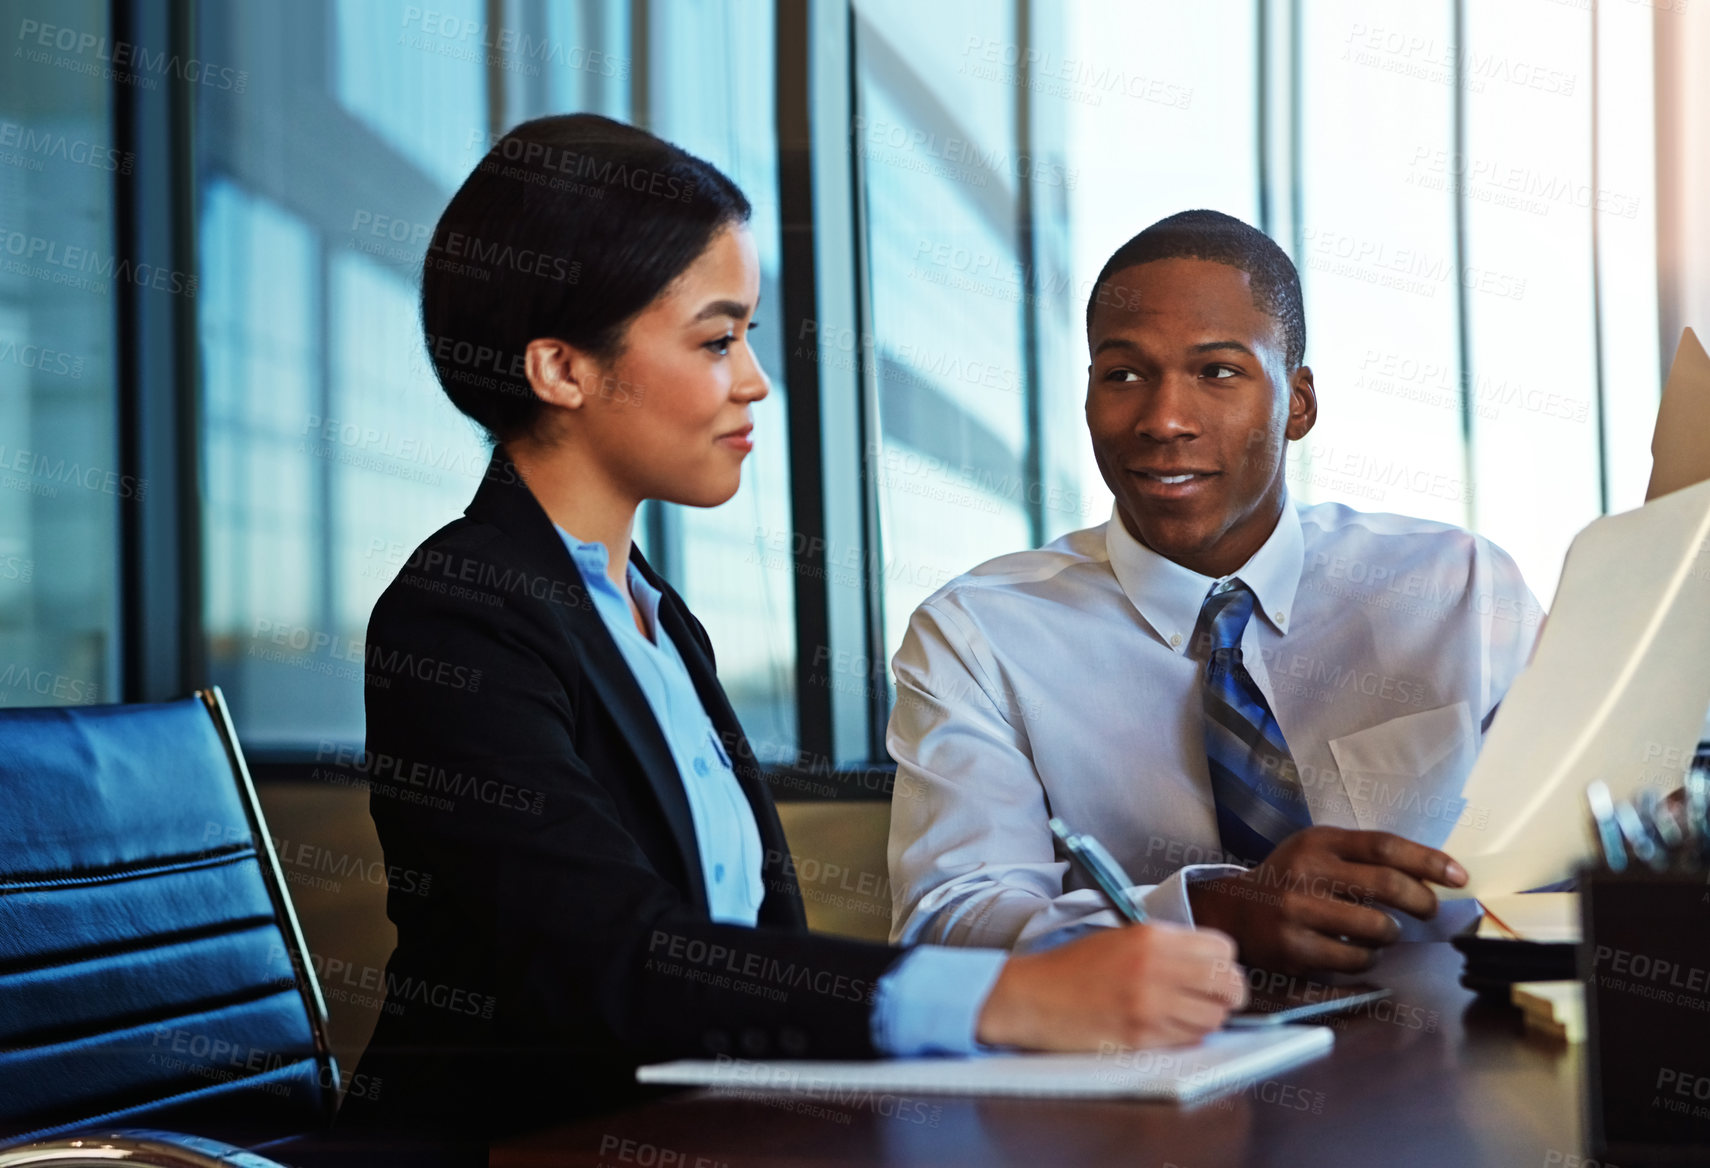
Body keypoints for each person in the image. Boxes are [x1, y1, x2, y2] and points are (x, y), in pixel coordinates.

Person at [337, 118, 1247, 1146]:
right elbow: (601, 960)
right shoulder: (458, 612)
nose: (755, 380)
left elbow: (735, 956)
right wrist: (1009, 997)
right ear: (560, 369)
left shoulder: (651, 614)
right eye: (717, 340)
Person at [887, 210, 1544, 976]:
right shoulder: (979, 634)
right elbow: (947, 926)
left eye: (1218, 372)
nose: (1164, 420)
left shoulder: (1458, 588)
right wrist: (1208, 915)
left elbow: (1581, 852)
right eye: (1124, 375)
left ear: (1297, 403)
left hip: (1448, 1051)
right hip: (1136, 1075)